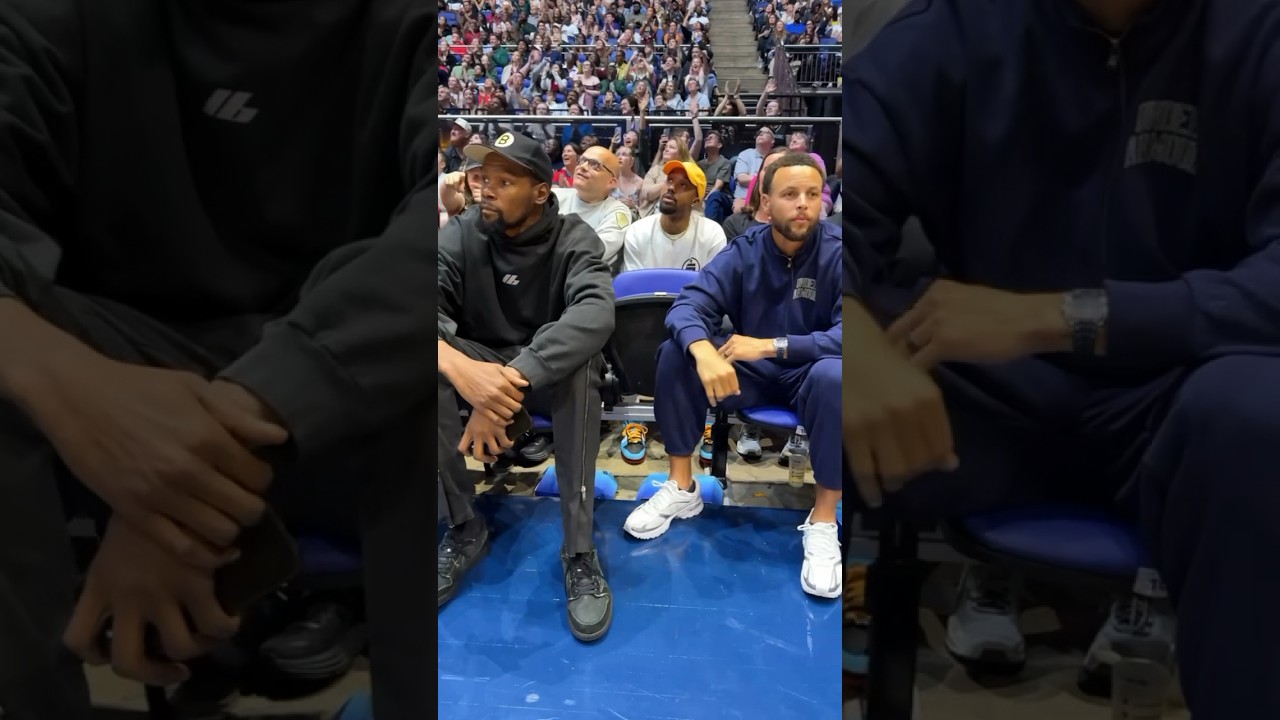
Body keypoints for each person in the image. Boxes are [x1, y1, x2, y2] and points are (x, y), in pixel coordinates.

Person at [842, 0, 1280, 715]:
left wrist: (1057, 317)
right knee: (825, 380)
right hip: (990, 398)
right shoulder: (957, 28)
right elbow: (831, 188)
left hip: (1186, 394)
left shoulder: (1258, 31)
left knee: (1262, 422)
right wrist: (851, 329)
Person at [0, 2, 432, 719]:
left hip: (340, 388)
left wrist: (189, 474)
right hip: (116, 370)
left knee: (434, 366)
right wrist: (71, 392)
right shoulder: (50, 18)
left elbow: (437, 240)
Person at [624, 153, 844, 599]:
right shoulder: (745, 249)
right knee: (677, 353)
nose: (803, 204)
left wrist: (772, 345)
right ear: (765, 199)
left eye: (812, 194)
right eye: (789, 194)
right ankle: (682, 486)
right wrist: (703, 348)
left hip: (811, 374)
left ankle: (824, 521)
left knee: (837, 376)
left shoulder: (841, 252)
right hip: (753, 377)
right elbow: (689, 305)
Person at [437, 131, 617, 642]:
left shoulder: (574, 236)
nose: (485, 190)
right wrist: (464, 373)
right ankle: (465, 527)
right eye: (482, 179)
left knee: (583, 367)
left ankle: (579, 550)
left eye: (503, 180)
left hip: (545, 375)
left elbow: (595, 314)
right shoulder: (465, 231)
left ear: (541, 191)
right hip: (481, 367)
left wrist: (499, 391)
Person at [617, 161, 729, 464]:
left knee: (715, 330)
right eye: (669, 181)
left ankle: (707, 417)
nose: (671, 189)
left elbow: (714, 295)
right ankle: (635, 416)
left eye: (683, 186)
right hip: (645, 320)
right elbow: (634, 293)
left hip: (696, 319)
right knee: (629, 328)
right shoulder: (639, 230)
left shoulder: (712, 233)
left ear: (697, 199)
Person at [552, 145, 631, 271]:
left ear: (611, 182)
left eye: (594, 165)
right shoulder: (555, 197)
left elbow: (596, 250)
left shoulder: (618, 213)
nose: (582, 167)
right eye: (582, 160)